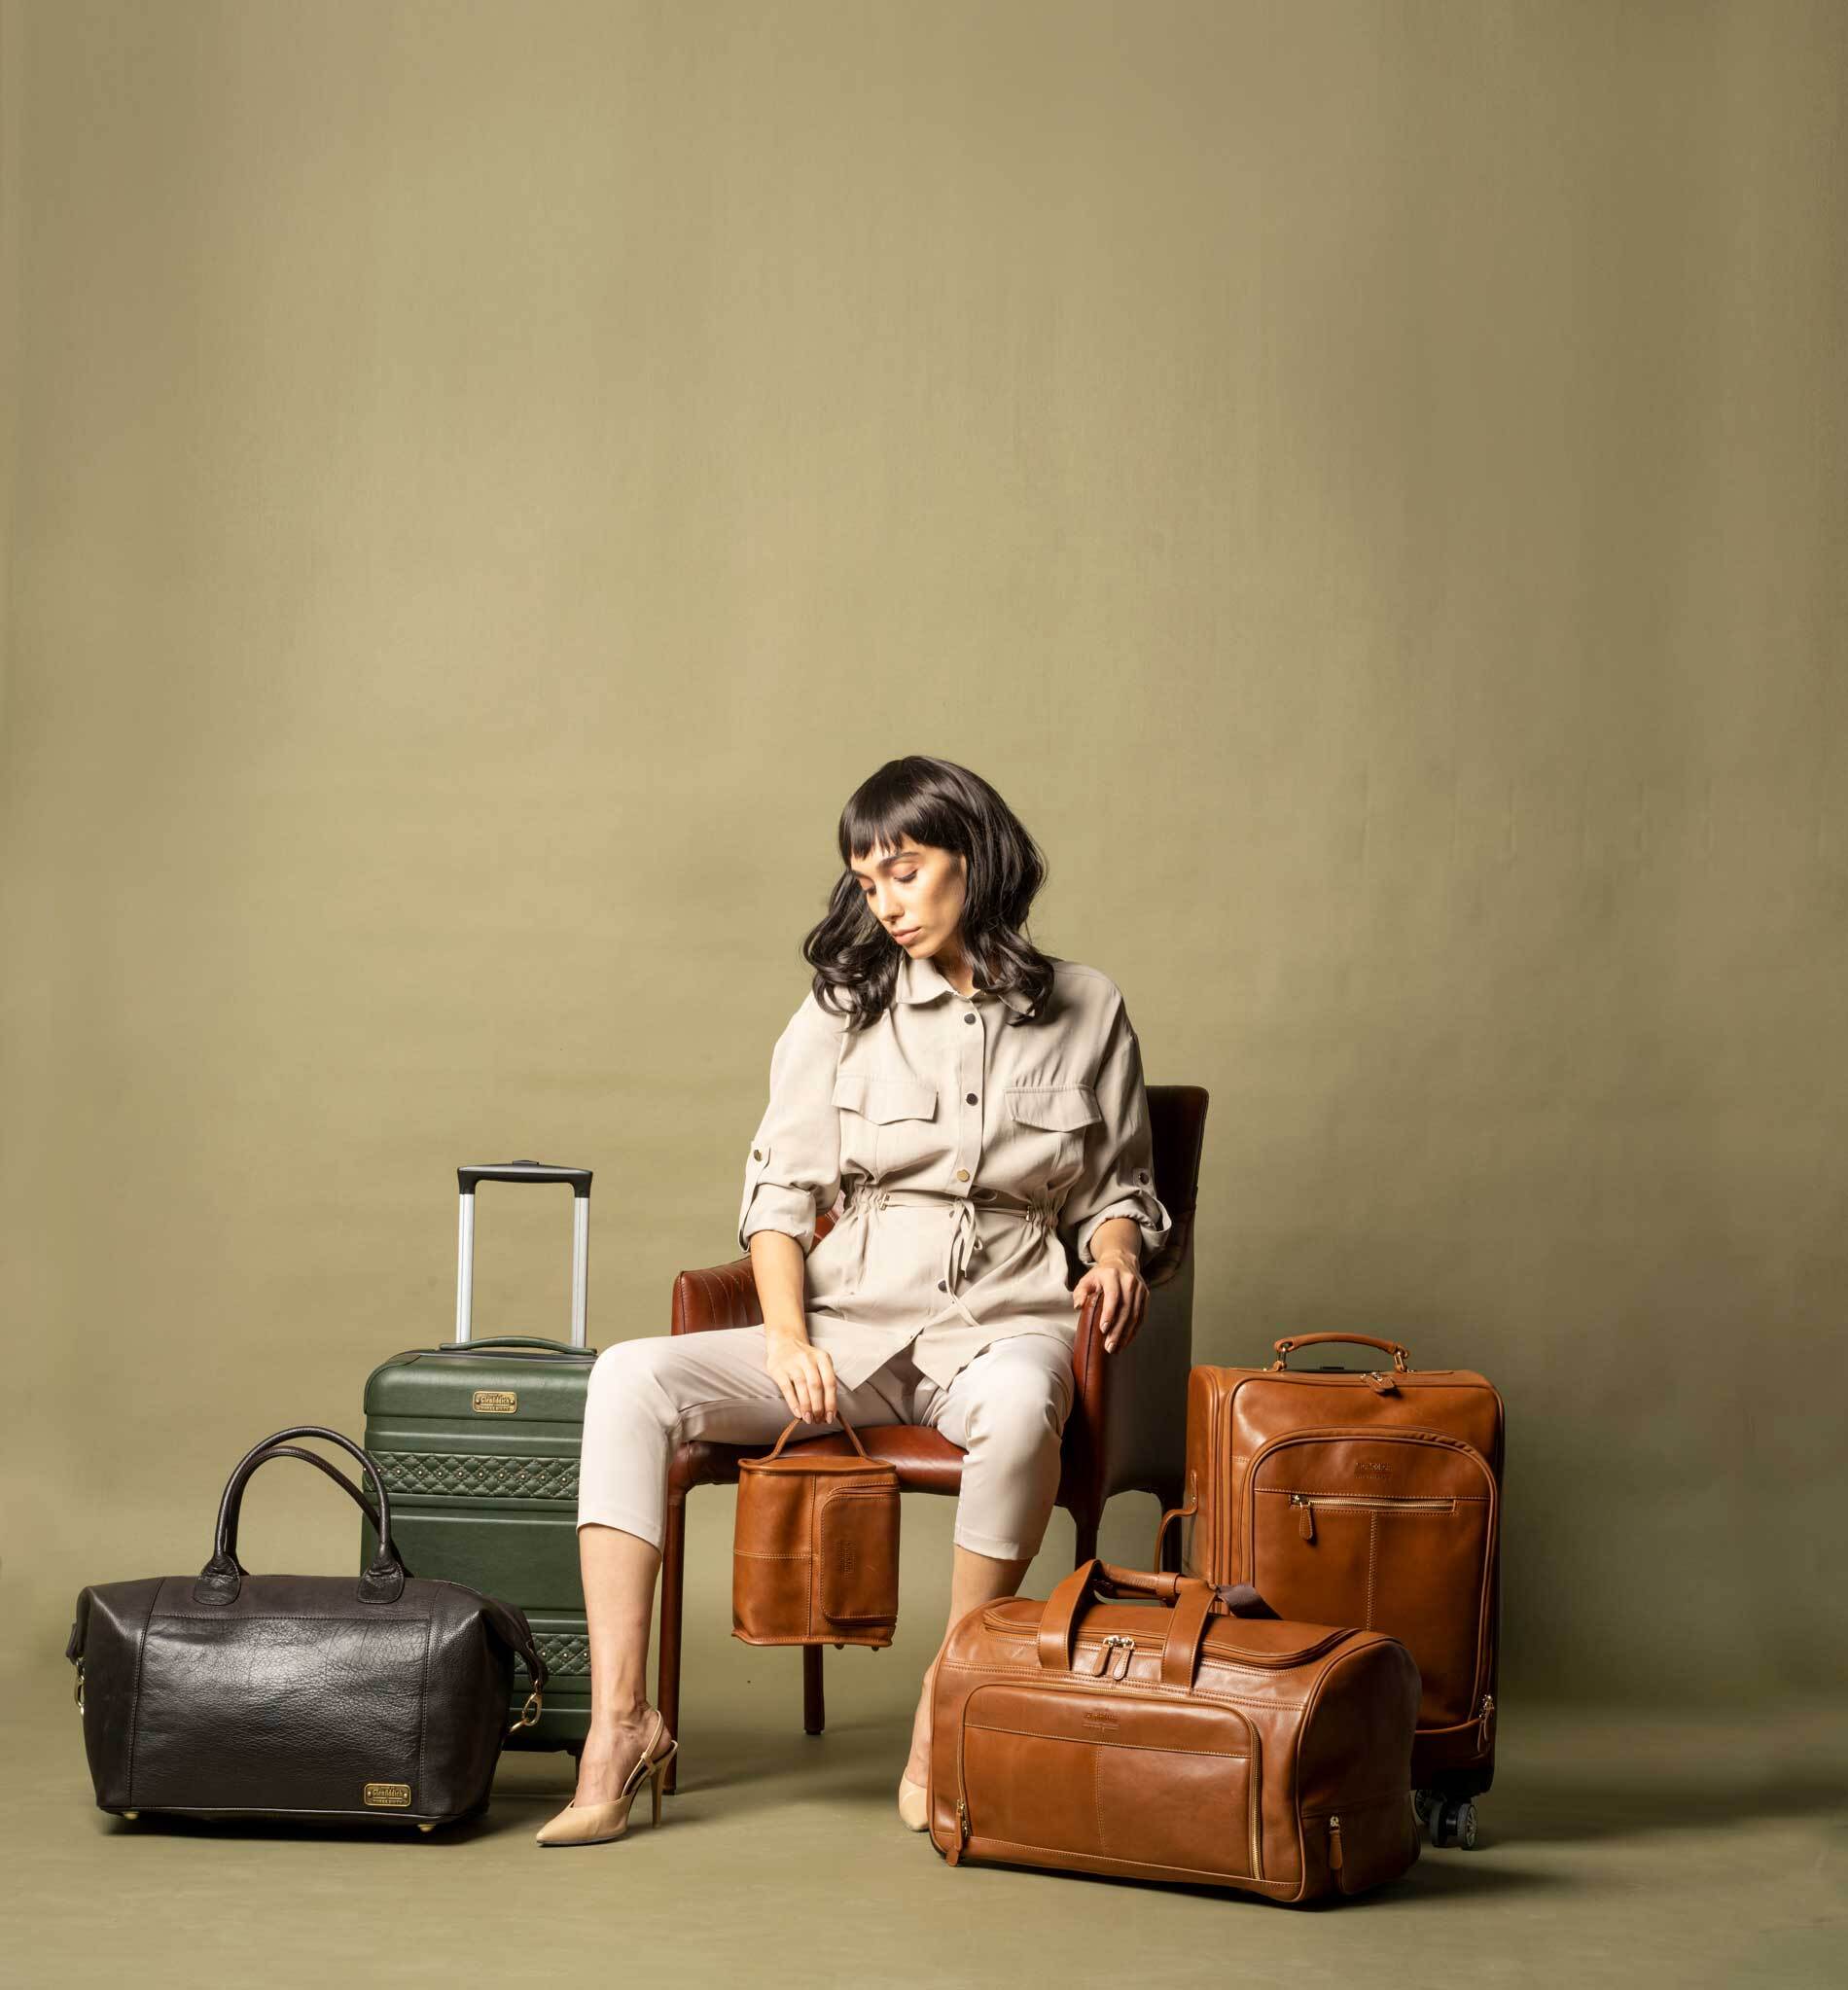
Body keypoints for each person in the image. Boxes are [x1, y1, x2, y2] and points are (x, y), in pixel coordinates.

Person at [536, 754, 1173, 1846]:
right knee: (629, 1378)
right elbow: (779, 1198)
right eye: (865, 879)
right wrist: (786, 1338)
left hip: (1008, 1320)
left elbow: (1118, 1189)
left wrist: (1115, 1253)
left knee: (1023, 1411)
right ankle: (621, 1724)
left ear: (975, 861)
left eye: (905, 872)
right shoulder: (842, 1006)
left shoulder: (1087, 1008)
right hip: (849, 1322)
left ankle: (947, 1709)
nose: (884, 902)